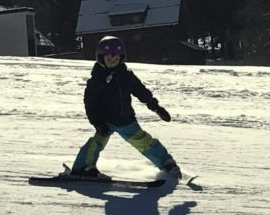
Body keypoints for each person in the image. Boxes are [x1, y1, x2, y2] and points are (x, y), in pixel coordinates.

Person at [60, 36, 181, 181]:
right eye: (109, 59)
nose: (113, 62)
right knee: (95, 144)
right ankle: (83, 168)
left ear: (121, 59)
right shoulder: (96, 81)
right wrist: (97, 122)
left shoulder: (127, 76)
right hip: (105, 122)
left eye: (116, 59)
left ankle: (167, 163)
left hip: (126, 120)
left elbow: (141, 91)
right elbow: (91, 104)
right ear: (101, 58)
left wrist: (155, 107)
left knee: (145, 142)